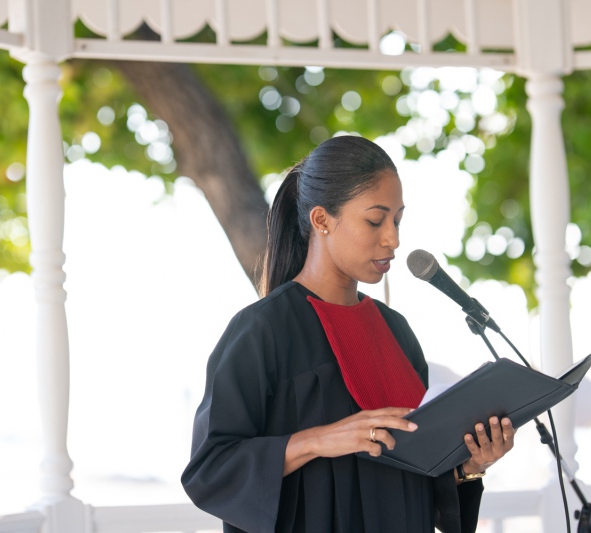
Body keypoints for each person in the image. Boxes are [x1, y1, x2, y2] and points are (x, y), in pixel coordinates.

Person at [181, 136, 516, 532]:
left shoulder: (397, 332)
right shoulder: (263, 330)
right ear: (321, 220)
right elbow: (211, 469)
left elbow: (411, 479)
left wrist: (468, 467)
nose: (392, 238)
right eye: (375, 220)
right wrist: (318, 440)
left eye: (397, 220)